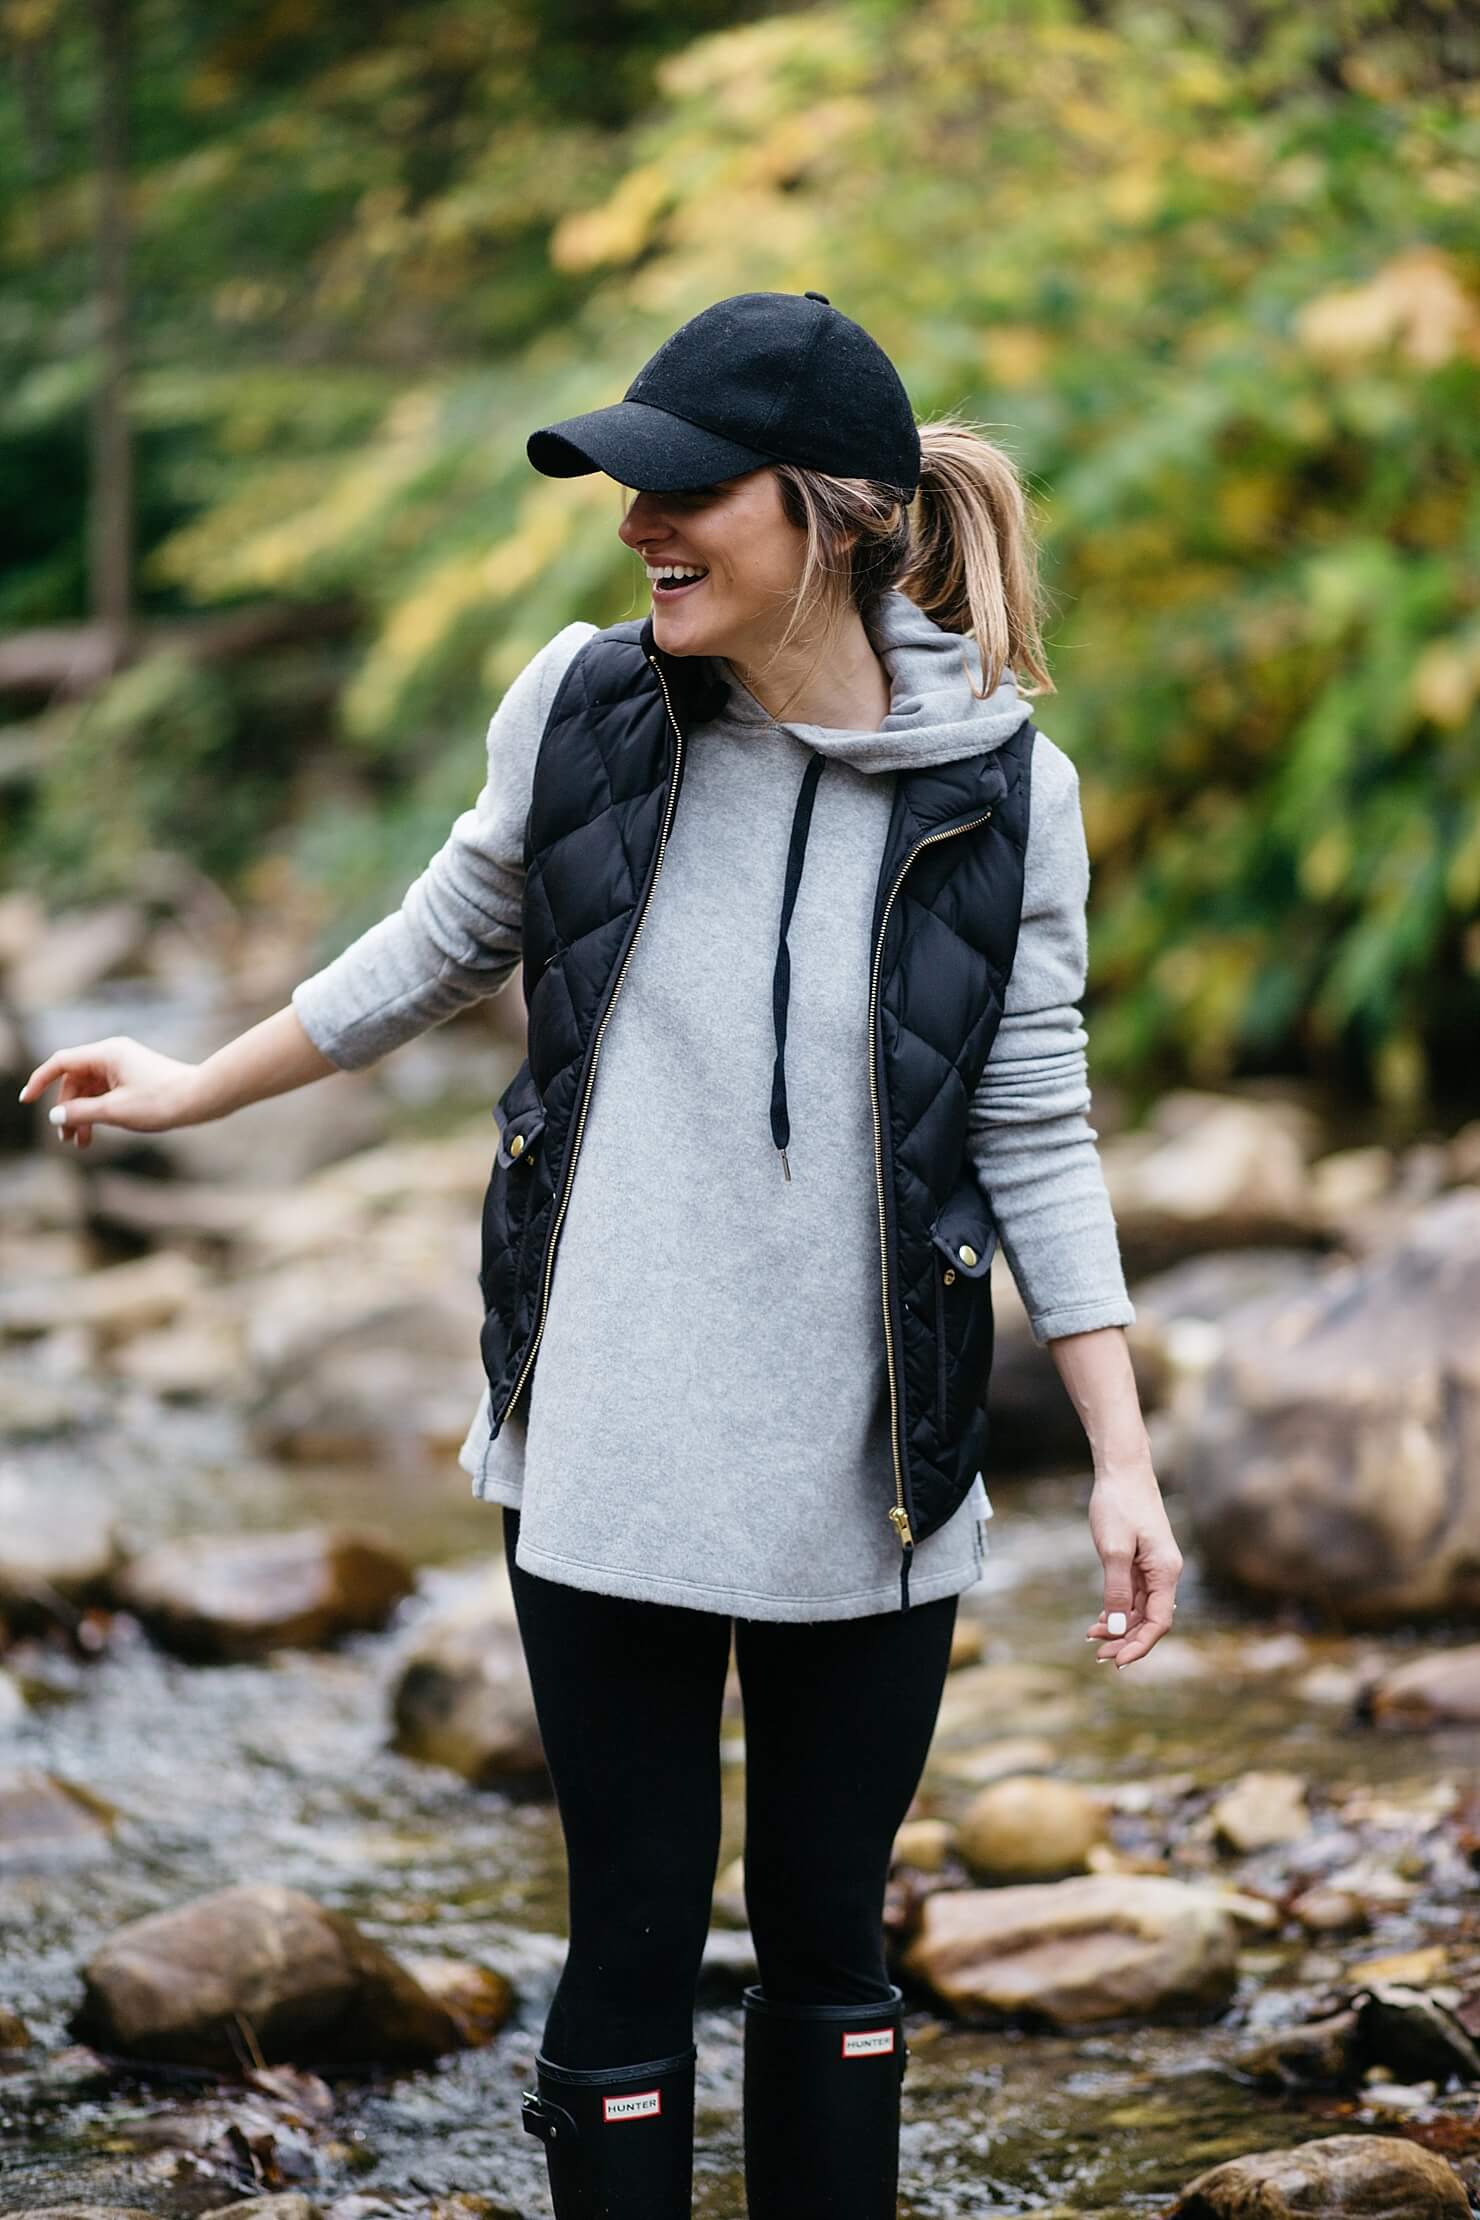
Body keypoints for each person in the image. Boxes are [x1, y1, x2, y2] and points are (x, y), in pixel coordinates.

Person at [21, 290, 1183, 2219]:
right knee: (631, 1947)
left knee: (832, 1947)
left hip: (874, 1467)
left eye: (681, 490)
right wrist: (189, 1089)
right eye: (620, 483)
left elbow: (1034, 1116)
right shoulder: (581, 707)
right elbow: (433, 942)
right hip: (610, 1441)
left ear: (830, 514)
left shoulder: (1008, 795)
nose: (637, 523)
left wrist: (1123, 1459)